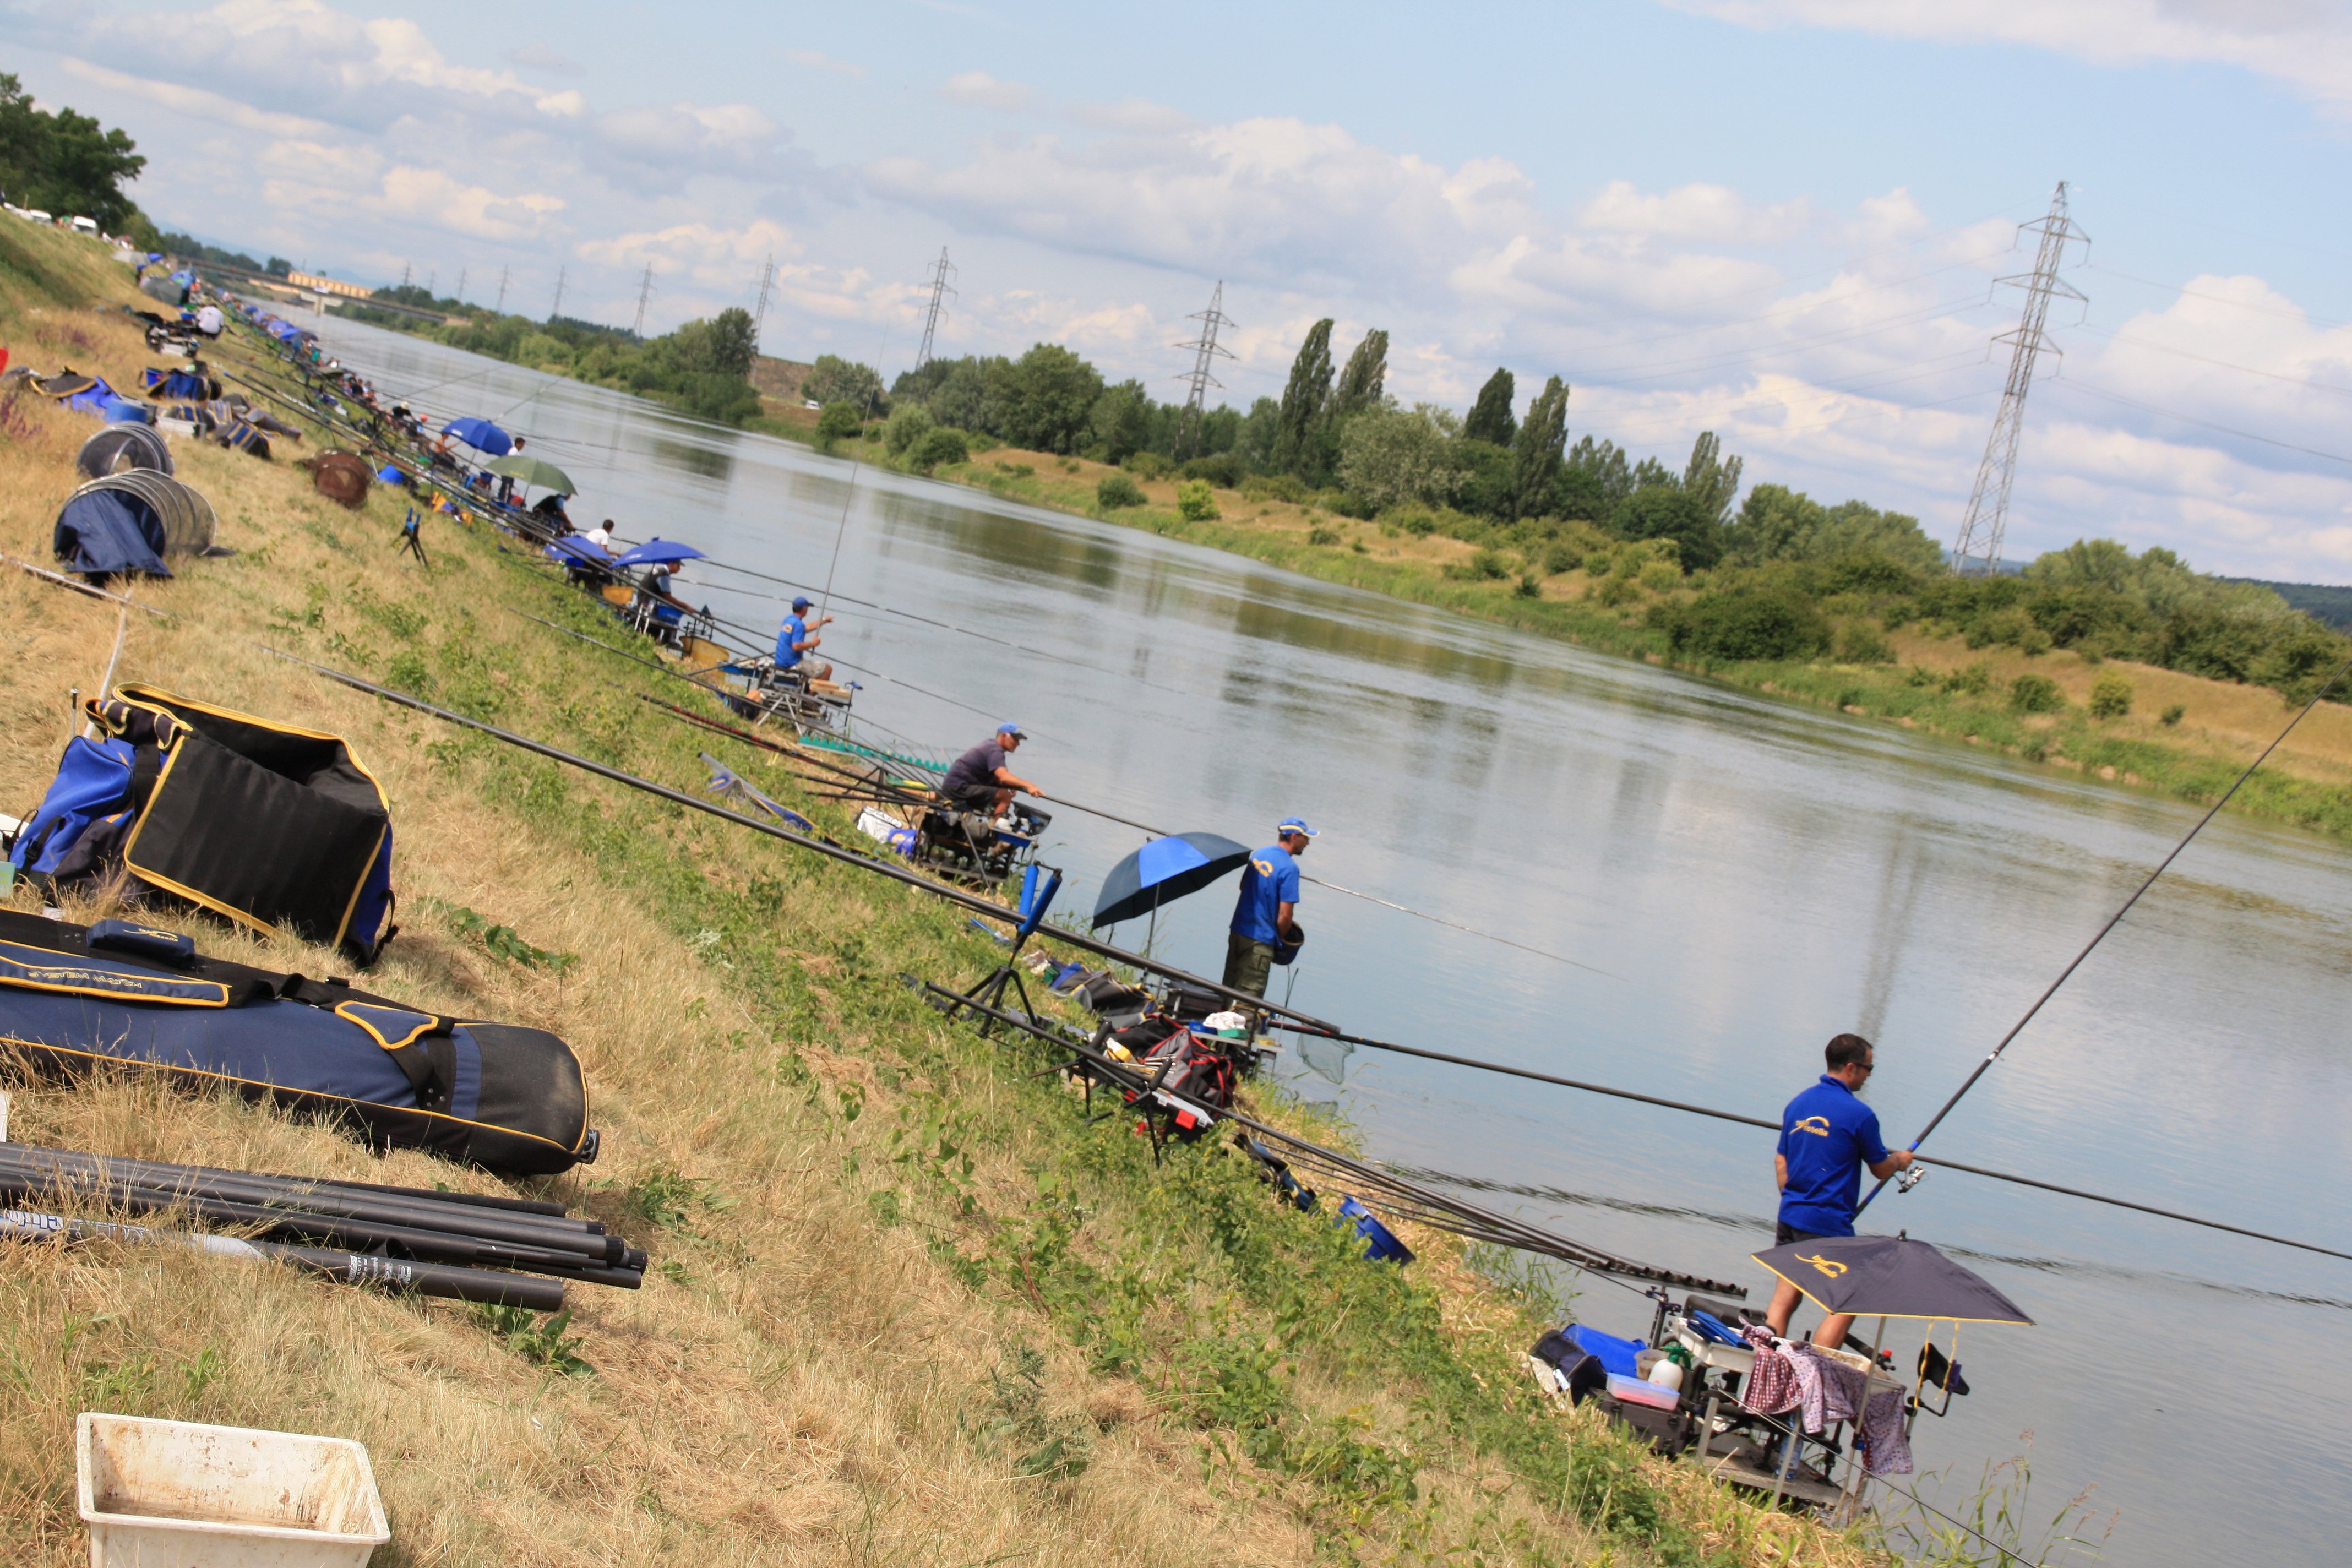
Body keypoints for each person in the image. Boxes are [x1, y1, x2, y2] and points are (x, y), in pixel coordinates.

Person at [1764, 1032, 1915, 1351]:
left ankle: (1764, 1363)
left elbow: (1782, 1159)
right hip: (1825, 1225)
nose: (1868, 1076)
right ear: (1851, 1068)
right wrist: (1900, 1160)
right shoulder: (1860, 1115)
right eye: (1868, 1069)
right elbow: (1880, 1169)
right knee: (1850, 1299)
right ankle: (1815, 1373)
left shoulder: (1799, 1103)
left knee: (1785, 1296)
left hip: (1790, 1214)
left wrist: (1794, 1197)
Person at [1223, 819, 1315, 999]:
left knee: (1228, 991)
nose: (1308, 843)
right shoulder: (1290, 869)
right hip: (1260, 942)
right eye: (1306, 838)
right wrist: (1279, 939)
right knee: (1248, 1001)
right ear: (1294, 837)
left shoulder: (1260, 854)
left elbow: (1243, 886)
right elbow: (1285, 915)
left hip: (1238, 932)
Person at [940, 723, 1036, 819]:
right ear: (1003, 736)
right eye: (1016, 739)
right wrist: (1029, 785)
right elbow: (1003, 777)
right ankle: (996, 830)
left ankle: (992, 824)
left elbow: (998, 779)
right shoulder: (995, 750)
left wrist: (1014, 785)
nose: (1018, 744)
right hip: (958, 787)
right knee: (1005, 796)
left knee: (1001, 793)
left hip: (953, 786)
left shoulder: (991, 745)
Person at [772, 595, 834, 683]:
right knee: (827, 669)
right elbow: (796, 646)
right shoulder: (798, 624)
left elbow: (807, 628)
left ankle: (803, 689)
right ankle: (809, 695)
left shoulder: (789, 620)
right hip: (791, 663)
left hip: (780, 660)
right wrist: (814, 644)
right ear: (804, 609)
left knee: (808, 669)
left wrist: (824, 620)